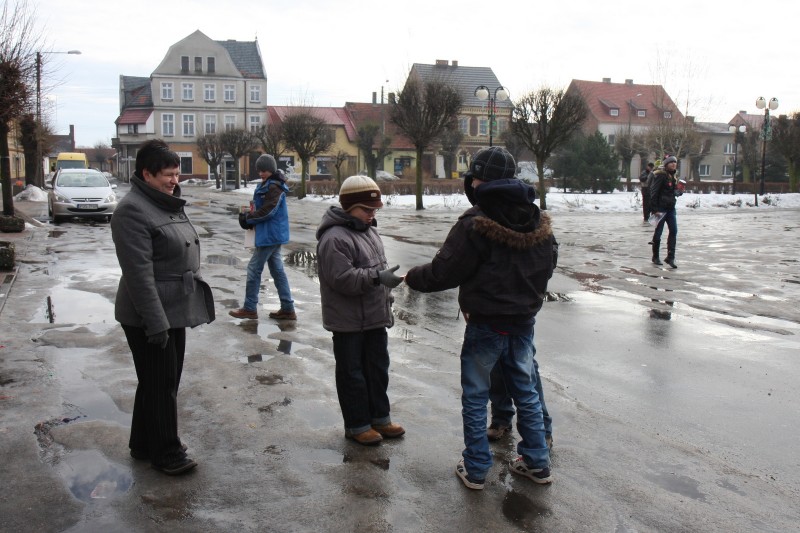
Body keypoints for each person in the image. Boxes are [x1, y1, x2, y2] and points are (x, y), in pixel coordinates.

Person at [405, 147, 558, 490]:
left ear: (478, 181)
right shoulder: (535, 217)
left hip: (486, 322)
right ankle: (537, 461)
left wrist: (412, 277)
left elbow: (443, 271)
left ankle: (476, 467)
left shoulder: (475, 222)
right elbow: (550, 261)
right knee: (527, 391)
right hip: (523, 320)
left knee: (475, 395)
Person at [111, 139, 215, 475]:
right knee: (160, 383)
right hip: (148, 313)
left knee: (159, 380)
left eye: (176, 174)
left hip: (174, 308)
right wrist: (155, 323)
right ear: (146, 173)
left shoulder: (163, 202)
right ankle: (166, 452)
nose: (175, 180)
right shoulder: (132, 211)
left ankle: (143, 443)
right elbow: (139, 275)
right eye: (168, 175)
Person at [316, 175, 406, 446]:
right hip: (348, 322)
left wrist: (385, 286)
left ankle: (380, 418)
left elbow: (377, 268)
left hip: (375, 317)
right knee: (352, 373)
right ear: (348, 207)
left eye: (374, 210)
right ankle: (357, 425)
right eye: (366, 210)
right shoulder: (333, 238)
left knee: (378, 369)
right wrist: (378, 278)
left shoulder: (370, 231)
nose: (371, 215)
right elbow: (342, 279)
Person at [229, 154, 296, 320]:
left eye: (264, 170)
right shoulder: (268, 184)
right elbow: (262, 208)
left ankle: (250, 308)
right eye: (259, 170)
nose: (261, 173)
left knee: (253, 269)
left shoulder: (275, 187)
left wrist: (249, 218)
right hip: (270, 233)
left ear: (272, 169)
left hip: (270, 235)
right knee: (277, 271)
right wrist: (249, 215)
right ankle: (288, 308)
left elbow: (269, 211)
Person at [649, 155, 681, 268]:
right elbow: (654, 192)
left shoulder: (673, 176)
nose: (673, 164)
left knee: (674, 231)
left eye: (675, 162)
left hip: (671, 208)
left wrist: (678, 191)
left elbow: (672, 190)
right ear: (666, 164)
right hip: (661, 209)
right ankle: (655, 256)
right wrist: (654, 209)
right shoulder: (661, 176)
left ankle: (670, 257)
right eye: (671, 162)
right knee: (658, 232)